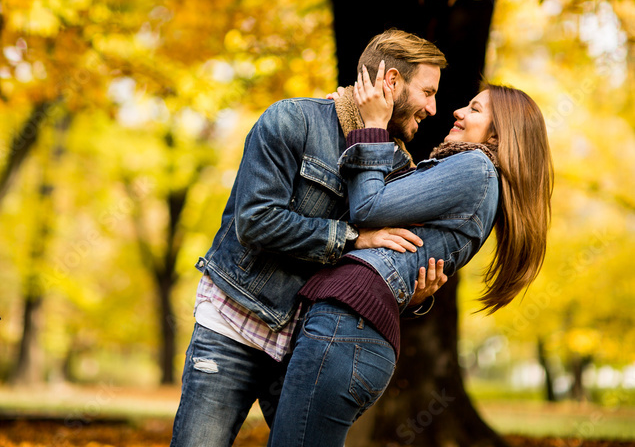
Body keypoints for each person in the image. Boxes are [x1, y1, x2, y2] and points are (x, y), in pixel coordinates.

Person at [169, 30, 449, 447]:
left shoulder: (395, 166)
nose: (433, 107)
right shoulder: (291, 120)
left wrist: (413, 295)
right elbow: (256, 221)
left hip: (306, 347)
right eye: (427, 91)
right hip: (235, 323)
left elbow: (373, 269)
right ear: (391, 81)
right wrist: (353, 237)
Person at [267, 64, 554, 447]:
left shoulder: (476, 169)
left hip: (344, 329)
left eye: (474, 109)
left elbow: (368, 207)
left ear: (499, 135)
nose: (458, 112)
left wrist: (368, 126)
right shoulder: (472, 177)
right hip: (347, 330)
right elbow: (397, 253)